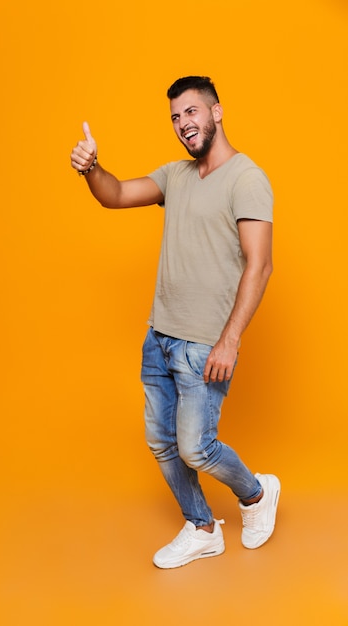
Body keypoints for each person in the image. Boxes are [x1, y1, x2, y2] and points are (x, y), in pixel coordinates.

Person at [70, 75, 280, 569]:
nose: (184, 123)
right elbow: (116, 194)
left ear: (216, 112)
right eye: (176, 117)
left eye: (192, 112)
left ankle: (254, 495)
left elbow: (260, 264)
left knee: (196, 448)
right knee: (163, 443)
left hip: (206, 343)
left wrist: (229, 341)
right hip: (160, 335)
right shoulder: (176, 175)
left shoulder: (248, 178)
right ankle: (202, 527)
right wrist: (92, 169)